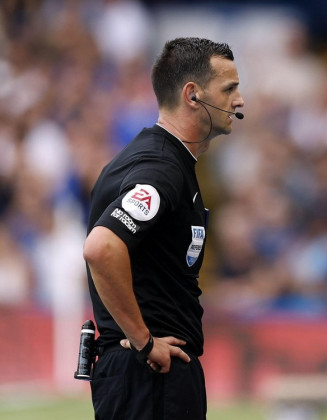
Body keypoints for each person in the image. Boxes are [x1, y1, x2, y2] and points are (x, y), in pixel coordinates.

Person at [82, 37, 244, 419]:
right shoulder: (161, 168)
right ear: (192, 95)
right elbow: (101, 247)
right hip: (151, 378)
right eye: (230, 89)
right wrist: (143, 342)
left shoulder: (158, 160)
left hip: (145, 377)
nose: (240, 101)